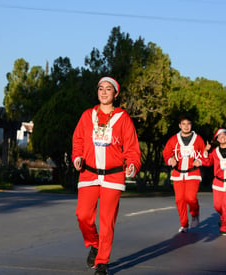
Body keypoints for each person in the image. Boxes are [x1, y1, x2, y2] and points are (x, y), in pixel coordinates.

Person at [72, 76, 141, 275]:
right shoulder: (87, 115)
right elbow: (78, 139)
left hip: (113, 176)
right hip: (89, 174)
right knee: (83, 215)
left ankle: (102, 262)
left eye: (108, 89)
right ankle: (94, 243)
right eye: (100, 88)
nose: (103, 92)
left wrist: (132, 165)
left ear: (115, 94)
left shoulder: (123, 118)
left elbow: (132, 148)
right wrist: (77, 157)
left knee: (106, 220)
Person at [162, 115, 205, 233]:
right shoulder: (173, 139)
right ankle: (184, 224)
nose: (186, 126)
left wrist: (199, 160)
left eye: (188, 124)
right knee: (179, 199)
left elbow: (205, 153)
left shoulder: (198, 139)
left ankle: (195, 214)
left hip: (193, 173)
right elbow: (166, 153)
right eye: (183, 124)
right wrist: (170, 160)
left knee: (190, 198)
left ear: (191, 125)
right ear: (180, 125)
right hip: (178, 174)